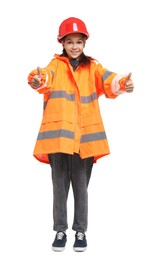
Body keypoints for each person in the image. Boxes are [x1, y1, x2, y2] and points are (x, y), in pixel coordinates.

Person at [27, 17, 134, 252]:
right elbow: (43, 79)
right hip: (59, 139)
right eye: (69, 42)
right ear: (62, 44)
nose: (74, 46)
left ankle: (80, 232)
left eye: (78, 42)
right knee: (59, 187)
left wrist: (122, 83)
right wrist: (36, 80)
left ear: (85, 43)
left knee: (81, 189)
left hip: (85, 140)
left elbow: (109, 80)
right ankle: (60, 231)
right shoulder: (55, 66)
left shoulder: (92, 67)